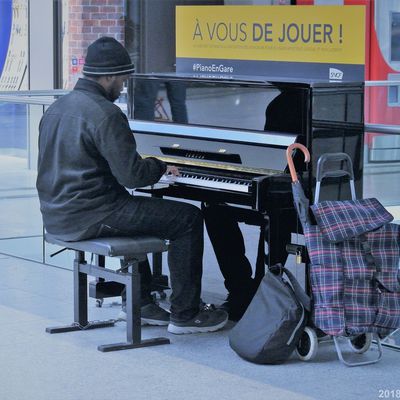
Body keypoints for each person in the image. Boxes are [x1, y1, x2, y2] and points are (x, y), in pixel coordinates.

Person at [36, 36, 228, 335]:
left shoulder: (57, 108)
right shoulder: (106, 113)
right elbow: (132, 177)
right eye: (123, 78)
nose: (123, 86)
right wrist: (161, 166)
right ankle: (185, 315)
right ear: (109, 76)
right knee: (187, 218)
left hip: (57, 214)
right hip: (92, 215)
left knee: (141, 211)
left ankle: (140, 302)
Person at [203, 87, 304, 321]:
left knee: (273, 215)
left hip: (296, 194)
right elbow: (269, 157)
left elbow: (281, 163)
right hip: (273, 181)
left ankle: (262, 292)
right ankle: (241, 289)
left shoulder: (291, 104)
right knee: (214, 207)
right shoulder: (279, 104)